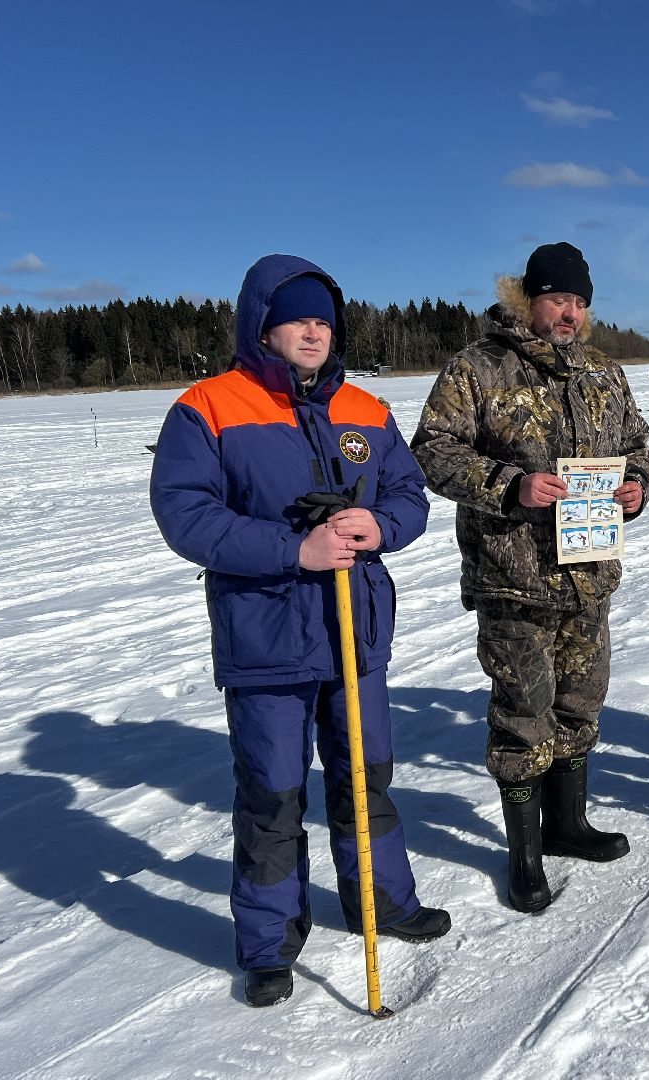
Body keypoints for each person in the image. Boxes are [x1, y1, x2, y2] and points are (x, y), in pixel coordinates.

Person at [149, 254, 449, 1009]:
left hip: (356, 634)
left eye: (324, 320)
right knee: (273, 795)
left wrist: (376, 524)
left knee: (365, 780)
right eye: (298, 318)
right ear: (262, 325)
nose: (314, 331)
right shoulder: (209, 407)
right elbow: (187, 515)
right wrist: (294, 550)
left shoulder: (368, 410)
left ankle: (384, 903)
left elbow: (410, 494)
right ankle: (268, 943)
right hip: (266, 641)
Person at [410, 242, 649, 913]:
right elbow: (432, 449)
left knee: (581, 703)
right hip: (514, 577)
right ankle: (523, 856)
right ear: (528, 299)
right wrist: (507, 484)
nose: (569, 312)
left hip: (589, 574)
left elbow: (636, 443)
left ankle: (567, 826)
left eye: (579, 301)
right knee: (524, 716)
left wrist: (636, 484)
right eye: (557, 299)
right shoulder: (479, 367)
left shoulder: (603, 373)